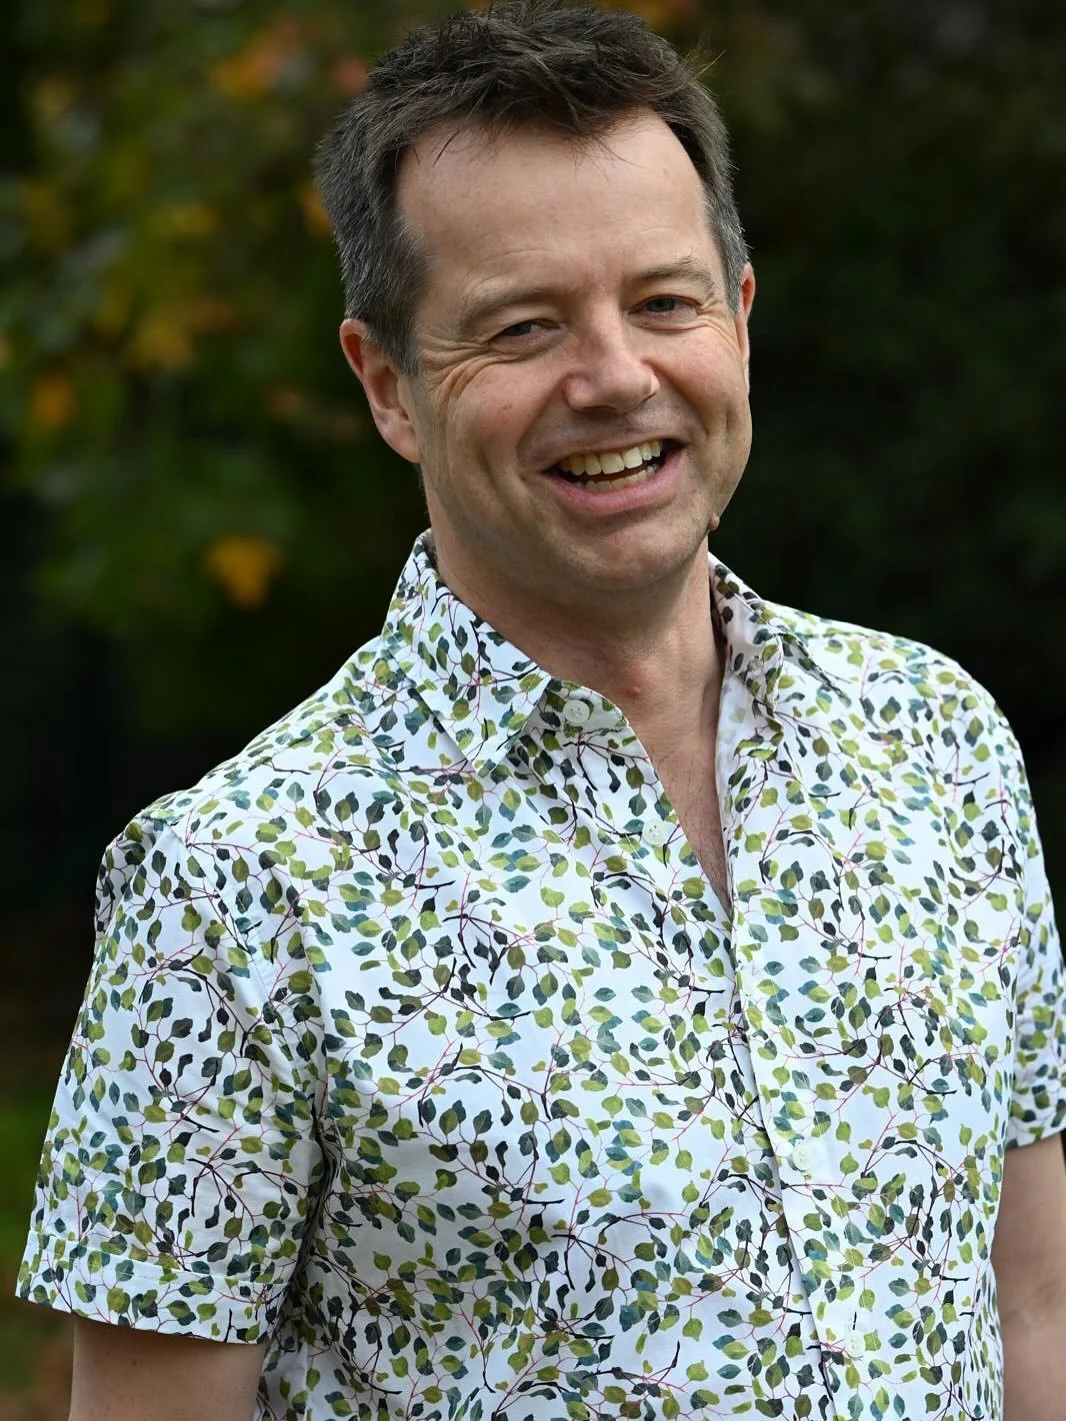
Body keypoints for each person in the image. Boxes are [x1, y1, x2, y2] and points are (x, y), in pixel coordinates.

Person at [18, 3, 1066, 1418]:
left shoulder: (938, 745)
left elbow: (1029, 1310)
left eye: (661, 301)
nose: (614, 377)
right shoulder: (234, 884)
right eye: (521, 326)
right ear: (388, 384)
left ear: (738, 318)